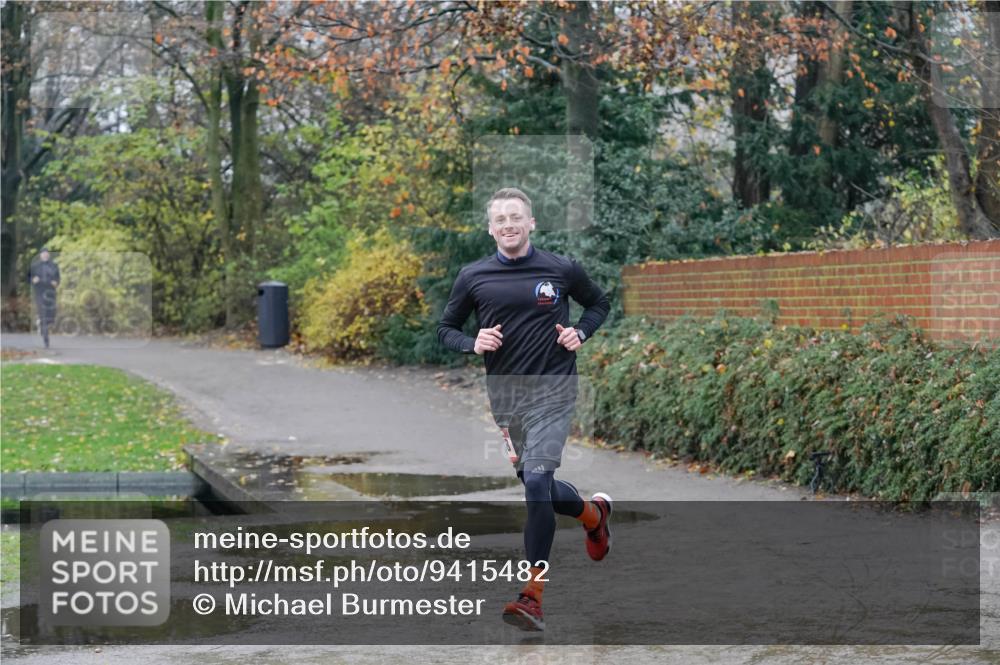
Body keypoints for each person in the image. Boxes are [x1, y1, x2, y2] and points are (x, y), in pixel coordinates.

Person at [437, 187, 612, 631]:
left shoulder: (560, 268)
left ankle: (532, 596)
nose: (509, 225)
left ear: (531, 223)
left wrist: (580, 332)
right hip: (507, 398)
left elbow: (599, 303)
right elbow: (446, 328)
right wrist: (472, 342)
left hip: (555, 389)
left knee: (535, 480)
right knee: (539, 487)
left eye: (516, 217)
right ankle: (594, 515)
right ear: (490, 228)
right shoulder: (473, 276)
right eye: (500, 219)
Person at [29, 248, 60, 348]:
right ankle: (46, 338)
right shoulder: (35, 266)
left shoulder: (54, 265)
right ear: (40, 255)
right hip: (39, 292)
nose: (45, 255)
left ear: (49, 255)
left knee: (51, 314)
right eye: (43, 254)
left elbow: (58, 278)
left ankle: (42, 323)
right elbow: (28, 277)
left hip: (51, 292)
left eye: (47, 254)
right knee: (43, 313)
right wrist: (33, 280)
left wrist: (56, 282)